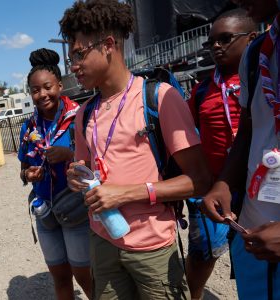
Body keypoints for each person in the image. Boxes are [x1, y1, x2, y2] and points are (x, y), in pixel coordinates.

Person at [60, 1, 212, 299]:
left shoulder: (158, 98)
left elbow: (200, 181)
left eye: (78, 54)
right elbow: (83, 165)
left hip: (152, 247)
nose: (73, 66)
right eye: (71, 58)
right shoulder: (84, 114)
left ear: (107, 45)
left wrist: (126, 193)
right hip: (102, 240)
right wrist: (75, 177)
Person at [202, 1, 280, 299]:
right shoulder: (257, 54)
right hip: (253, 236)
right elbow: (249, 130)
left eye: (225, 39)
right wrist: (223, 182)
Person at [185, 9, 257, 300]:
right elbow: (186, 141)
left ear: (252, 39)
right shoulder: (202, 92)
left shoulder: (268, 85)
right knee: (203, 251)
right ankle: (194, 295)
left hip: (260, 191)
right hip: (216, 190)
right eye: (211, 41)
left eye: (225, 39)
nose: (216, 46)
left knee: (255, 253)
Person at [18, 48, 92, 300]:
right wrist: (28, 174)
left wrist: (69, 154)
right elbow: (22, 170)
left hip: (76, 210)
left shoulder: (79, 117)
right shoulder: (29, 127)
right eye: (35, 90)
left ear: (60, 86)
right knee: (60, 279)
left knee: (86, 278)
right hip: (46, 215)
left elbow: (99, 161)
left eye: (47, 87)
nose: (42, 94)